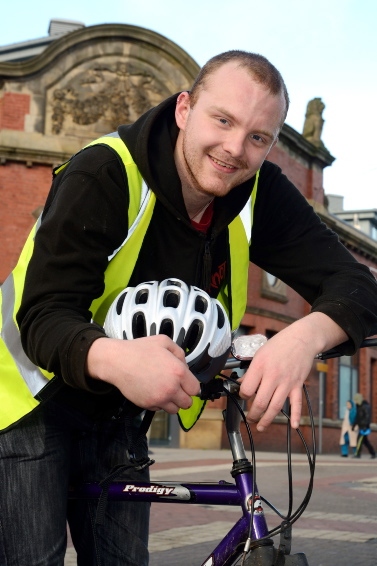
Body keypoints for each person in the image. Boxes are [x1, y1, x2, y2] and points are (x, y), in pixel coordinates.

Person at [1, 50, 377, 565]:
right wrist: (117, 358)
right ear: (184, 110)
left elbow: (359, 284)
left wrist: (304, 337)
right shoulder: (105, 173)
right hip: (29, 402)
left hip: (120, 411)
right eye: (222, 120)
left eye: (257, 137)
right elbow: (42, 314)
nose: (234, 149)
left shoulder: (256, 190)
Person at [353, 393, 376, 459]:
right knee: (365, 442)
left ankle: (357, 454)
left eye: (356, 400)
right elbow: (358, 417)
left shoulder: (365, 407)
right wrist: (354, 425)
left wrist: (364, 425)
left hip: (364, 427)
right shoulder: (358, 407)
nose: (355, 402)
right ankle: (373, 453)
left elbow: (367, 417)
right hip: (361, 426)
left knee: (359, 440)